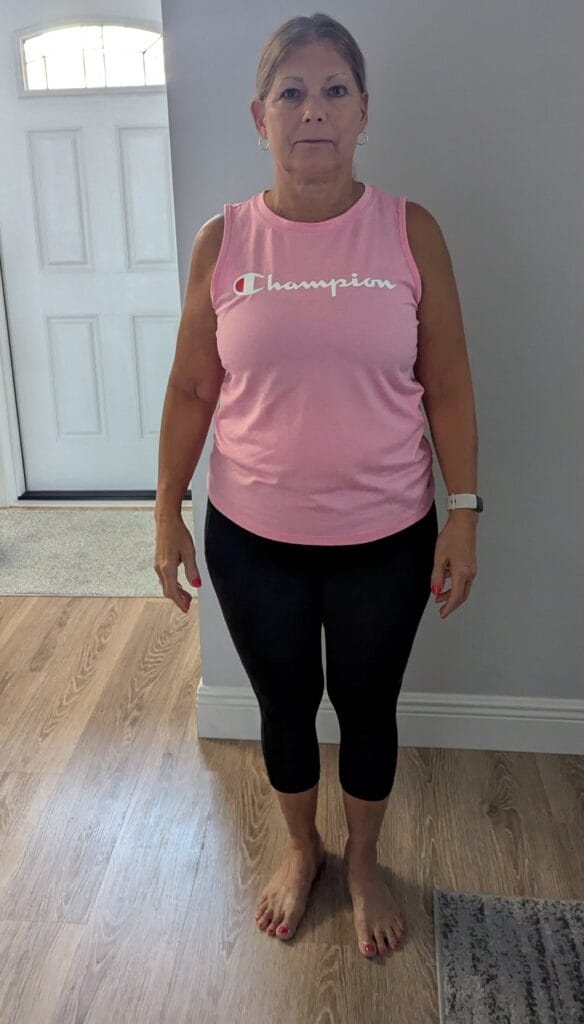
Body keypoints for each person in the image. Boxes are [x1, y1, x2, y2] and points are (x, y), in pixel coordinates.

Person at [154, 13, 480, 962]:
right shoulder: (225, 241)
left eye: (334, 90)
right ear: (259, 116)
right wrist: (167, 508)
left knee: (369, 709)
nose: (313, 111)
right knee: (285, 709)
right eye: (291, 93)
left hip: (388, 538)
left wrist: (464, 513)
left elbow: (449, 387)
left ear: (364, 112)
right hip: (253, 539)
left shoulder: (410, 230)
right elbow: (189, 389)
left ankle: (367, 860)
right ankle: (303, 852)